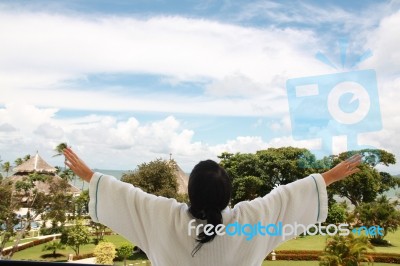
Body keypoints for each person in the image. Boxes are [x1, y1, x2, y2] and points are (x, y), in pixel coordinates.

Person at [63, 148, 361, 266]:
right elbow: (285, 197)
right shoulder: (249, 220)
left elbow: (129, 196)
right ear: (228, 194)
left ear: (190, 193)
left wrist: (91, 176)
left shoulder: (164, 216)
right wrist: (330, 176)